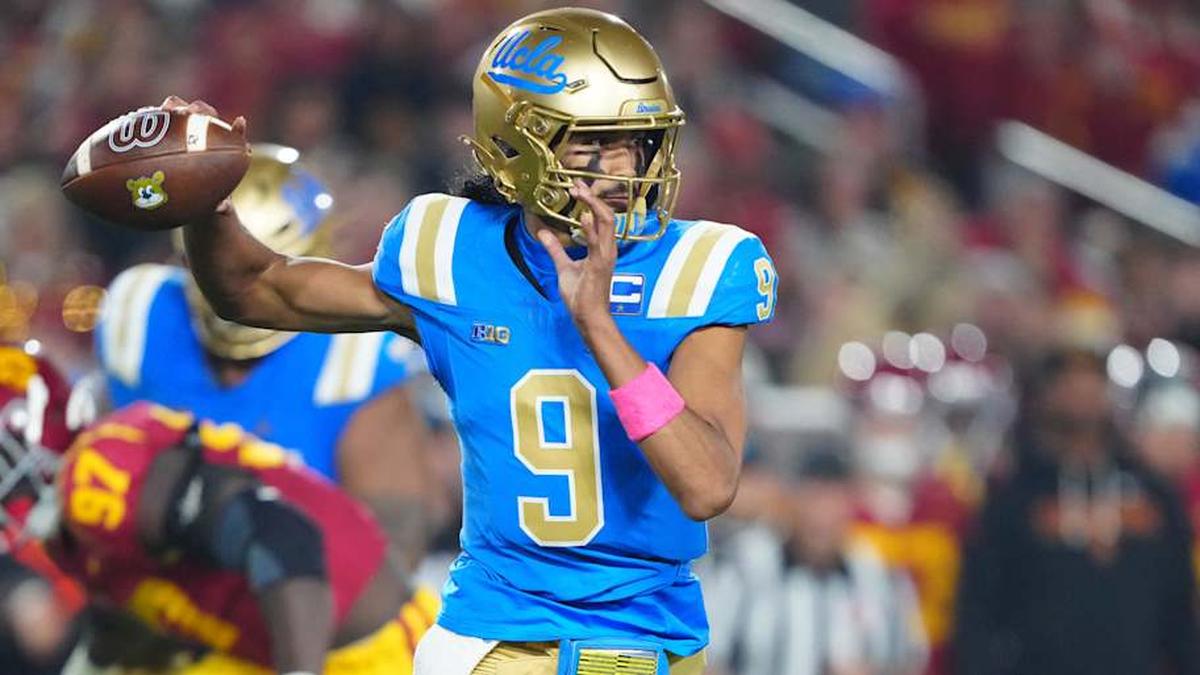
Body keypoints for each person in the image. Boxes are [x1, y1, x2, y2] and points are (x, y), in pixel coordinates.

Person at [158, 7, 776, 674]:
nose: (623, 166)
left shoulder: (705, 267)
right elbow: (258, 289)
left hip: (654, 637)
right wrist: (203, 203)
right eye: (593, 142)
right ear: (515, 147)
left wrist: (599, 325)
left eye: (637, 140)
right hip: (498, 635)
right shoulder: (452, 252)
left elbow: (708, 485)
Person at [95, 144, 433, 574]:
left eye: (256, 265)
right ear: (189, 254)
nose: (237, 279)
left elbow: (390, 557)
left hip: (300, 608)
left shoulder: (357, 357)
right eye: (222, 261)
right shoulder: (138, 312)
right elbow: (101, 475)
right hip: (155, 595)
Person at [0, 343, 433, 675]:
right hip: (274, 650)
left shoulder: (95, 475)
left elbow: (281, 537)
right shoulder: (68, 533)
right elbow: (140, 637)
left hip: (371, 653)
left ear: (27, 432)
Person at [955, 348, 1200, 675]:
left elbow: (1180, 604)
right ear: (1044, 398)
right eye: (1069, 390)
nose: (1081, 401)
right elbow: (979, 610)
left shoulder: (1154, 494)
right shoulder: (1013, 499)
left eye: (1092, 389)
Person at [706, 450, 927, 675]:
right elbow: (708, 659)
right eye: (814, 500)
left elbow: (909, 661)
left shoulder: (880, 576)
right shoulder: (745, 566)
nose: (822, 517)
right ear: (791, 502)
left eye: (834, 502)